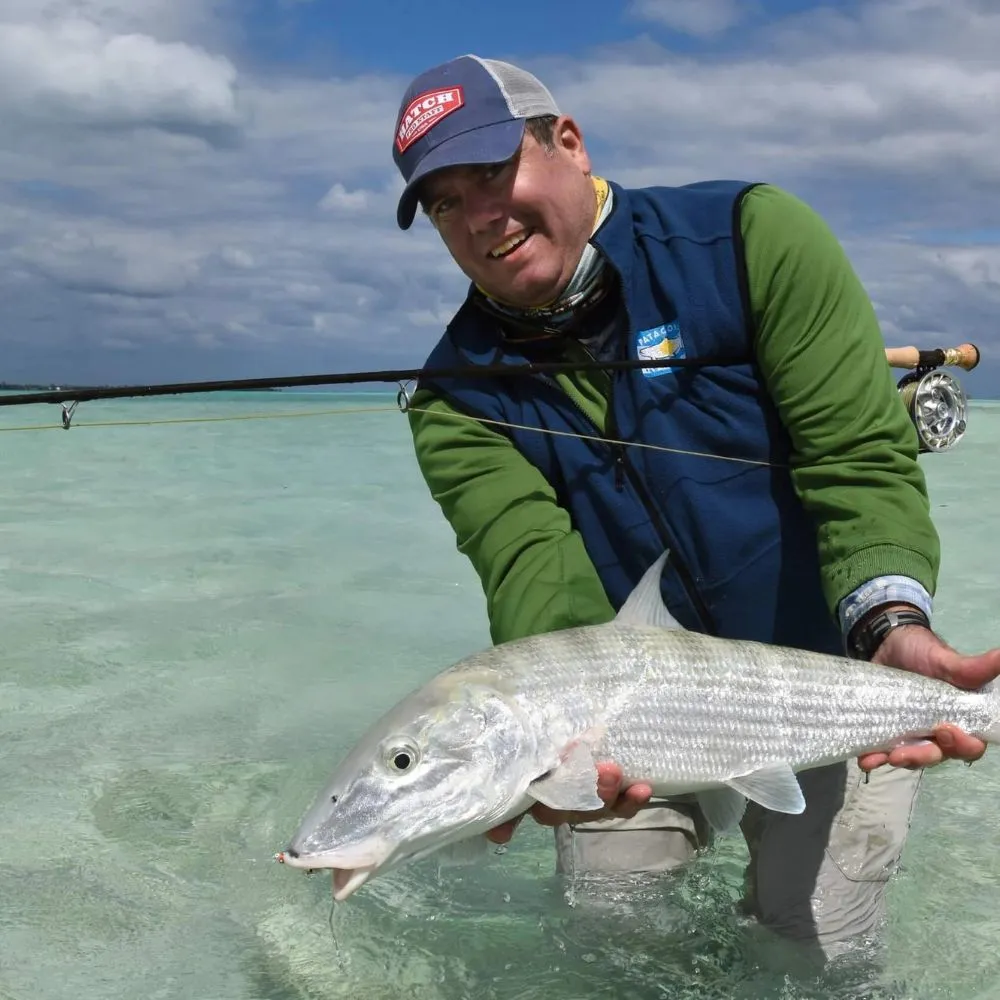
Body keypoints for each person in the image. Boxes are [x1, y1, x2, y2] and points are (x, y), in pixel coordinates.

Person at [389, 54, 1000, 958]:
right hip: (628, 712)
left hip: (821, 679)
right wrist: (565, 749)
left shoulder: (754, 239)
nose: (480, 215)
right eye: (443, 200)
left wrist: (890, 621)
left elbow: (857, 460)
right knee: (614, 934)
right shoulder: (455, 401)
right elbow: (536, 581)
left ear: (568, 141)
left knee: (814, 943)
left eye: (492, 170)